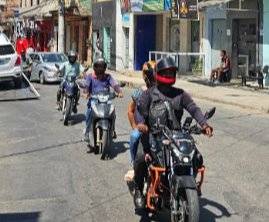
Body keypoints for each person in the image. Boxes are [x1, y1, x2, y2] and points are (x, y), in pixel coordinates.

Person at [132, 57, 213, 209]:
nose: (169, 75)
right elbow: (140, 108)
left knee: (196, 157)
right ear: (158, 74)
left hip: (175, 136)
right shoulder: (149, 94)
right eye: (166, 73)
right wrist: (141, 123)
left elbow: (193, 108)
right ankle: (138, 189)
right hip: (154, 135)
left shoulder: (180, 94)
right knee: (141, 157)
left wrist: (203, 123)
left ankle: (189, 186)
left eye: (171, 73)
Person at [125, 61, 157, 182]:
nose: (153, 78)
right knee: (134, 137)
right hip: (143, 128)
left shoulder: (161, 90)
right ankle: (134, 165)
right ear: (145, 76)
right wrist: (135, 126)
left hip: (158, 128)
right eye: (150, 75)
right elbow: (130, 110)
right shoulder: (140, 92)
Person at [82, 57, 123, 143]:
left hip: (106, 99)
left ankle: (112, 129)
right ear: (95, 67)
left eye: (102, 66)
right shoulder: (90, 76)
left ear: (104, 67)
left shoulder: (108, 77)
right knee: (89, 111)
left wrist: (119, 92)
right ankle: (86, 131)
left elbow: (114, 85)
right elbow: (86, 87)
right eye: (98, 66)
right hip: (94, 99)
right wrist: (85, 93)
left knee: (112, 109)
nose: (100, 68)